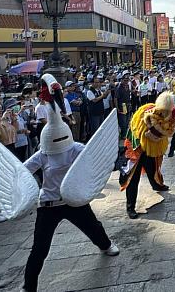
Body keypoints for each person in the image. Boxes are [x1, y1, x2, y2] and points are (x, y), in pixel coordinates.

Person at [20, 77, 119, 292]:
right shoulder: (42, 154)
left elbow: (93, 157)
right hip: (48, 205)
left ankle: (106, 245)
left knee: (93, 227)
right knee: (39, 249)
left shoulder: (74, 148)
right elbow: (23, 170)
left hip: (73, 199)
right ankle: (29, 286)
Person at [119, 92, 175, 219]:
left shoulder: (173, 115)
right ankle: (130, 207)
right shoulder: (147, 111)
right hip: (137, 148)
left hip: (152, 148)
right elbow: (139, 130)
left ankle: (157, 185)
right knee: (133, 177)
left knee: (153, 167)